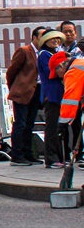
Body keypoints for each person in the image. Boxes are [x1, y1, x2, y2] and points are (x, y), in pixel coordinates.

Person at [6, 26, 45, 166]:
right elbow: (12, 71)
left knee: (30, 124)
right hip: (23, 91)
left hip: (37, 91)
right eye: (41, 36)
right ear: (34, 38)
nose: (44, 40)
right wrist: (16, 87)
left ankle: (28, 154)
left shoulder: (45, 52)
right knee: (20, 123)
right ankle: (16, 155)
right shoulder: (24, 51)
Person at [36, 29, 69, 168]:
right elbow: (54, 71)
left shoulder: (55, 53)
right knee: (52, 127)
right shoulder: (44, 54)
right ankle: (51, 158)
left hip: (60, 94)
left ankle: (60, 157)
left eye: (57, 39)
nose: (55, 41)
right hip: (51, 94)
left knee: (60, 127)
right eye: (52, 39)